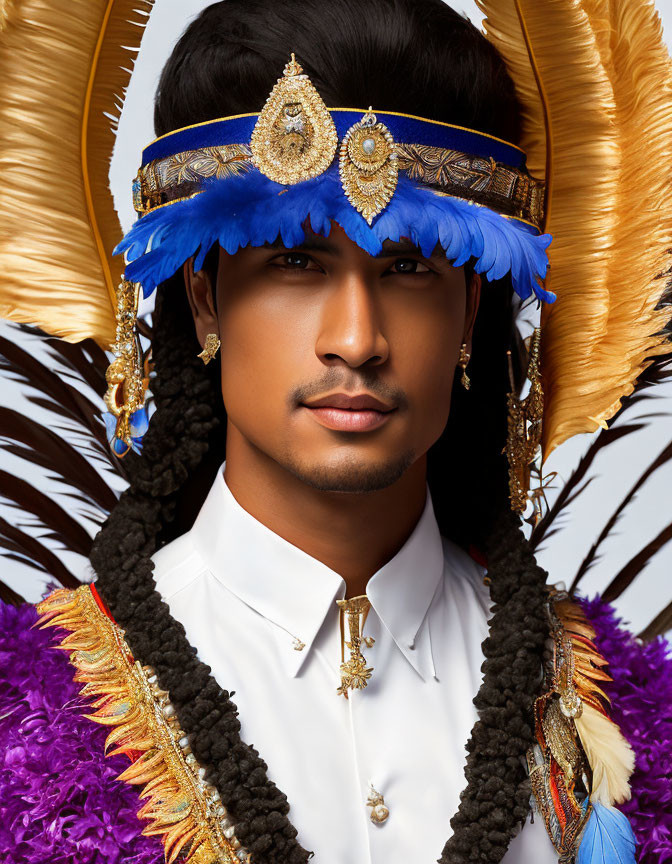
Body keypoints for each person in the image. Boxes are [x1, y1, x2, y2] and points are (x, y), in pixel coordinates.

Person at [0, 0, 670, 863]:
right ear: (204, 297)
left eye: (407, 268)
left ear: (471, 309)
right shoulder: (25, 714)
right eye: (294, 261)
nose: (356, 339)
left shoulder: (623, 717)